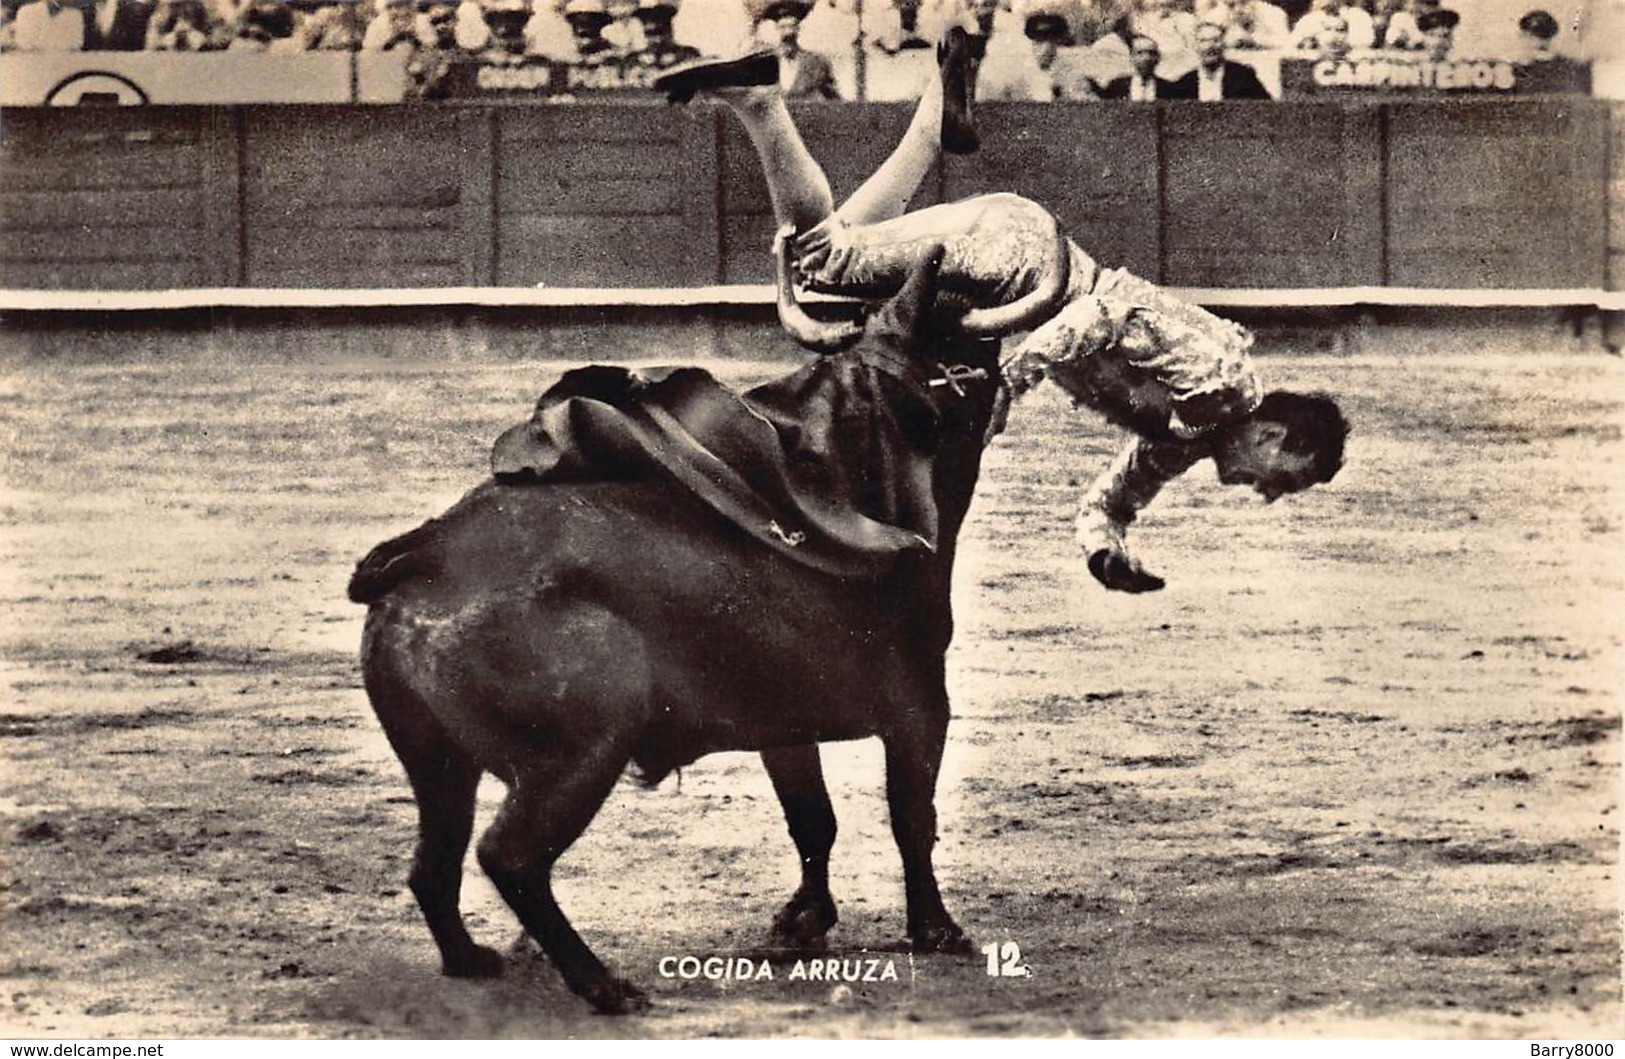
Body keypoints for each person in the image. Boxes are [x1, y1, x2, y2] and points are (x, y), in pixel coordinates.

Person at [653, 33, 1348, 592]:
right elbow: (1101, 316)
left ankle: (936, 107)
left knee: (831, 259)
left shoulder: (1191, 432)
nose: (1264, 493)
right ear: (1275, 437)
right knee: (821, 270)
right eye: (1280, 481)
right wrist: (1011, 382)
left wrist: (1106, 549)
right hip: (1022, 267)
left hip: (1012, 266)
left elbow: (1112, 499)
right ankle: (759, 98)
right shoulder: (1223, 379)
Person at [1164, 18, 1271, 97]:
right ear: (1195, 46)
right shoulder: (1185, 83)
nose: (1210, 46)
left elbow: (1265, 109)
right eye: (1203, 41)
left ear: (1224, 45)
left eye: (1215, 40)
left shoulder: (1243, 77)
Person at [1096, 31, 1177, 98]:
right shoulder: (1116, 86)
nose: (1146, 58)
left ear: (1158, 58)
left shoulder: (1169, 89)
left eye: (1151, 53)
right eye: (1140, 53)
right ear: (1131, 57)